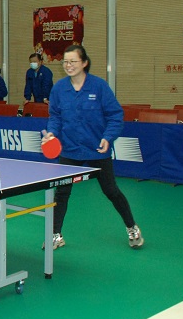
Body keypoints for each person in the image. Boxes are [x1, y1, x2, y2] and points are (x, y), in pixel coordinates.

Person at [41, 44, 143, 251]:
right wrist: (51, 133)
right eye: (65, 62)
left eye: (73, 61)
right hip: (70, 149)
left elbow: (115, 115)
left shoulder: (99, 86)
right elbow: (56, 116)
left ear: (84, 63)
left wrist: (108, 137)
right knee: (62, 192)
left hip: (96, 148)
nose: (68, 65)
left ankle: (132, 227)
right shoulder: (59, 88)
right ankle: (55, 235)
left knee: (111, 191)